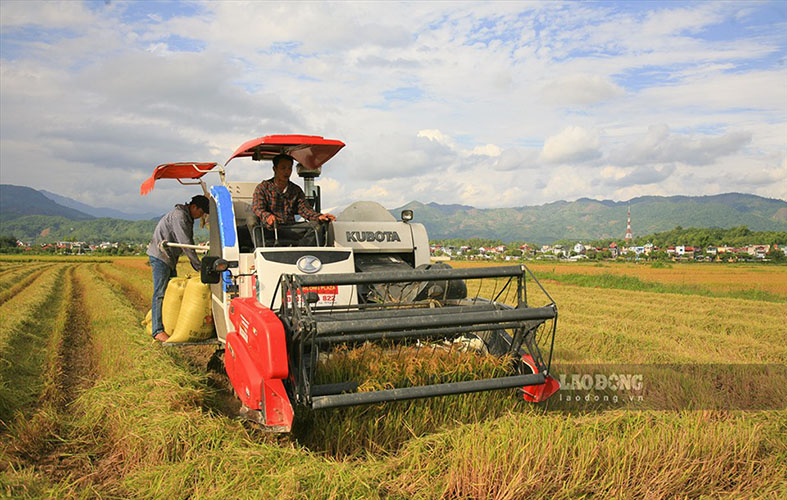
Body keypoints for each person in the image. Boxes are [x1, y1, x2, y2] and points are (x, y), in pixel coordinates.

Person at [146, 195, 209, 342]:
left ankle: (167, 325)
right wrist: (198, 266)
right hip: (161, 257)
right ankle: (157, 330)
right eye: (201, 212)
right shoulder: (179, 216)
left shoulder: (186, 217)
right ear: (194, 207)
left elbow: (189, 241)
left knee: (170, 292)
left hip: (169, 258)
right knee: (160, 293)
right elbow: (185, 243)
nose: (201, 216)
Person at [247, 153, 335, 246]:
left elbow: (305, 209)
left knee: (316, 226)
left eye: (289, 168)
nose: (287, 172)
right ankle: (261, 251)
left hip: (289, 228)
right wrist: (268, 216)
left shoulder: (296, 190)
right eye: (283, 168)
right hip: (269, 229)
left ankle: (301, 253)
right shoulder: (263, 187)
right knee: (251, 220)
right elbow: (257, 208)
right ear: (274, 169)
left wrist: (319, 217)